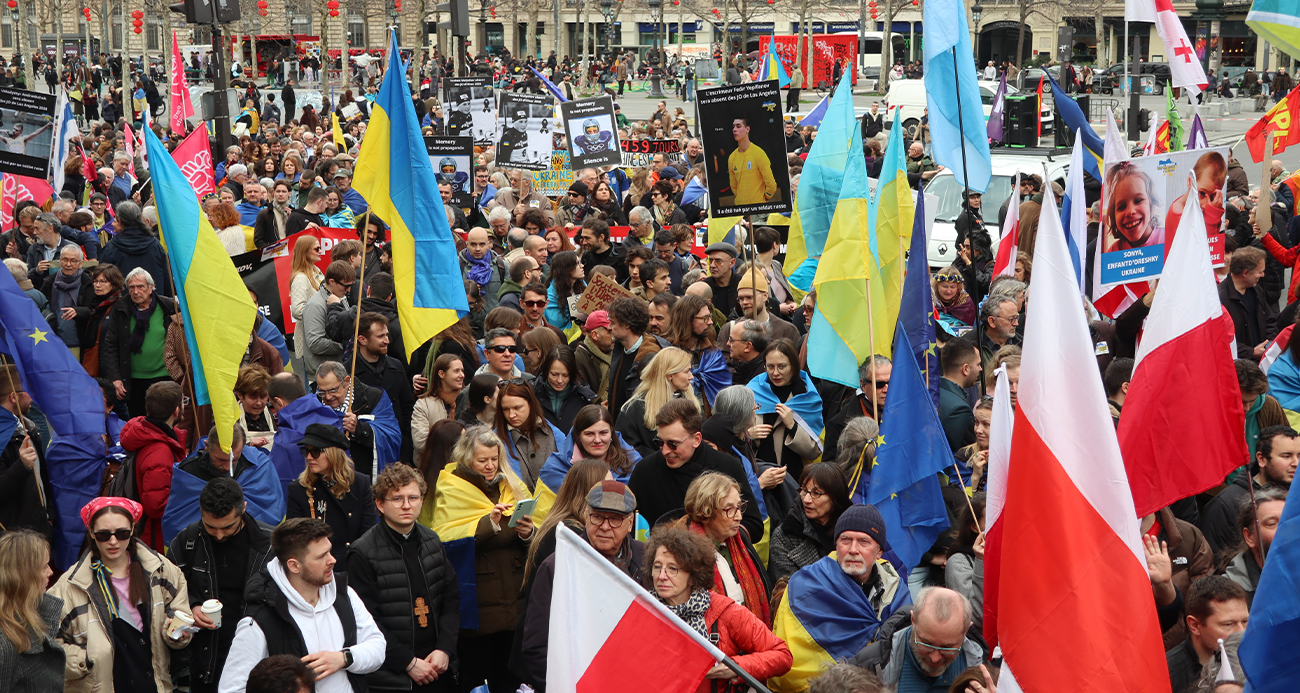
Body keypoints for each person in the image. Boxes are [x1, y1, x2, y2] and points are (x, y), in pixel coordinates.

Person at [218, 518, 387, 693]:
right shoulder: (259, 620)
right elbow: (232, 688)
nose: (333, 560)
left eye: (329, 551)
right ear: (294, 566)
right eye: (321, 556)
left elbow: (378, 647)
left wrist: (344, 658)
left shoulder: (345, 594)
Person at [49, 497, 194, 693]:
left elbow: (178, 612)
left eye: (122, 533)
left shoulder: (161, 570)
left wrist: (176, 633)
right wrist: (87, 660)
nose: (113, 541)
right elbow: (46, 640)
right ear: (91, 533)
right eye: (103, 535)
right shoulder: (69, 586)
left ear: (133, 529)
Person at [428, 426, 533, 693]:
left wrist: (527, 533)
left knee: (510, 678)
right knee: (478, 679)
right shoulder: (453, 487)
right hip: (478, 610)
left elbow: (535, 538)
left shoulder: (511, 484)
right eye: (482, 460)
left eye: (494, 459)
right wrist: (489, 525)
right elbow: (445, 539)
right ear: (466, 459)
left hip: (514, 601)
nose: (489, 466)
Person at [515, 479, 647, 687]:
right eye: (597, 517)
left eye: (615, 519)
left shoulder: (648, 559)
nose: (604, 527)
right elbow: (536, 646)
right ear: (586, 516)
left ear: (630, 523)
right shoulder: (557, 566)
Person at [347, 464, 459, 693]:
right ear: (380, 504)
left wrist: (445, 649)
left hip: (437, 663)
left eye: (413, 497)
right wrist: (407, 662)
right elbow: (366, 620)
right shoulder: (363, 553)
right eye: (397, 499)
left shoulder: (432, 541)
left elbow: (450, 600)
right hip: (393, 675)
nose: (407, 505)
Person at [644, 527, 792, 691]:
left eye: (673, 568)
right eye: (657, 566)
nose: (662, 576)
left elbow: (782, 655)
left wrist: (733, 668)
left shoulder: (725, 611)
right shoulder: (643, 610)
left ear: (693, 576)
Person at [168, 477, 275, 693]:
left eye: (227, 527)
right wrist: (192, 607)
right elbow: (167, 590)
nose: (218, 535)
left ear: (243, 509)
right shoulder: (187, 540)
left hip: (257, 653)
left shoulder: (271, 544)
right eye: (210, 527)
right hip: (205, 659)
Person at [629, 398, 764, 538]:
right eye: (660, 442)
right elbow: (629, 524)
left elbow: (753, 526)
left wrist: (712, 532)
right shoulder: (644, 471)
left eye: (673, 444)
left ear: (697, 439)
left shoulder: (727, 467)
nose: (665, 451)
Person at [673, 471, 772, 625]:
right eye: (729, 509)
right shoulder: (681, 552)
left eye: (739, 507)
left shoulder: (740, 540)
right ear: (706, 511)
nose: (739, 516)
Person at [850, 586, 984, 690]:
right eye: (926, 644)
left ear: (965, 630)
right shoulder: (869, 665)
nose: (935, 658)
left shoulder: (983, 670)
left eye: (947, 648)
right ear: (913, 620)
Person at [1199, 425, 1296, 559]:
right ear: (1261, 459)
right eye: (1286, 456)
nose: (1296, 463)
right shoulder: (1226, 503)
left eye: (1299, 456)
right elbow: (1215, 564)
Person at [286, 423, 377, 563]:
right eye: (306, 451)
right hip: (316, 565)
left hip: (354, 562)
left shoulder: (360, 484)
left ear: (332, 453)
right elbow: (294, 539)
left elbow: (368, 533)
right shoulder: (299, 489)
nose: (309, 457)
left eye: (315, 451)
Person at [121, 381, 187, 551]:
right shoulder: (160, 452)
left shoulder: (149, 434)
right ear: (176, 411)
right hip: (154, 538)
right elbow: (156, 506)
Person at [747, 340, 824, 481]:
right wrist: (748, 435)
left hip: (795, 478)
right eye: (770, 366)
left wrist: (792, 426)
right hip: (759, 474)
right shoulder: (752, 392)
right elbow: (733, 438)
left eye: (782, 366)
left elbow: (814, 451)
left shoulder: (807, 397)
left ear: (793, 366)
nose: (775, 373)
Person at [0, 530, 63, 693]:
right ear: (23, 576)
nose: (50, 572)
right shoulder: (4, 644)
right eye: (44, 567)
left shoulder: (31, 616)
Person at [314, 361, 403, 477]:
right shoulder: (315, 402)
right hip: (328, 476)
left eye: (332, 390)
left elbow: (392, 437)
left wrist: (359, 429)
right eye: (322, 392)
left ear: (346, 381)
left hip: (364, 476)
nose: (328, 397)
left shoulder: (374, 398)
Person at [769, 463, 853, 582]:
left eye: (816, 493)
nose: (807, 500)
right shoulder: (784, 537)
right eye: (804, 491)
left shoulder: (855, 530)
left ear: (835, 497)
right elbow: (791, 590)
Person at [1165, 577, 1250, 693]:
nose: (1241, 631)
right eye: (1228, 624)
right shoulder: (1166, 675)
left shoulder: (1261, 662)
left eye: (1245, 621)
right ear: (1194, 625)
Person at [618, 347, 701, 458]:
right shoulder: (634, 409)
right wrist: (665, 458)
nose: (691, 377)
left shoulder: (692, 404)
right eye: (687, 371)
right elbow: (627, 449)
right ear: (670, 375)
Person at [495, 379, 563, 493]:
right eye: (505, 409)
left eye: (517, 408)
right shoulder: (494, 440)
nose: (511, 415)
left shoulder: (555, 435)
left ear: (531, 404)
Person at [1223, 486, 1287, 606]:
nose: (1284, 529)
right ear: (1249, 537)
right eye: (1272, 524)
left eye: (1287, 521)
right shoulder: (1229, 593)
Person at [98, 202, 172, 296]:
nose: (112, 223)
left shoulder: (110, 248)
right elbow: (167, 279)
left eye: (115, 219)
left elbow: (102, 281)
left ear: (120, 220)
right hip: (154, 303)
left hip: (122, 306)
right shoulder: (156, 245)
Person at [1219, 247, 1276, 361]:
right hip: (1240, 366)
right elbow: (1221, 339)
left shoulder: (1256, 290)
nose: (1263, 275)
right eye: (1260, 272)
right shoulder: (1220, 299)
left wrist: (1268, 344)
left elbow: (1270, 320)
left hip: (1261, 360)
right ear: (1245, 273)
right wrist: (1250, 352)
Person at [302, 261, 354, 383]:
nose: (349, 290)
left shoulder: (339, 296)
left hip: (337, 371)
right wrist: (347, 345)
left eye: (351, 285)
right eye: (346, 286)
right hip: (322, 377)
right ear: (332, 282)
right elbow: (315, 343)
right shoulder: (315, 305)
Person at [533, 345, 598, 432]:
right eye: (554, 375)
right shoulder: (533, 394)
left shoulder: (585, 398)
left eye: (565, 375)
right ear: (546, 372)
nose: (560, 380)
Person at [412, 354, 465, 460]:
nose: (462, 375)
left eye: (462, 370)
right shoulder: (424, 404)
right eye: (456, 371)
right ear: (441, 374)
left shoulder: (468, 399)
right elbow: (420, 441)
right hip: (433, 467)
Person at [939, 337, 982, 456]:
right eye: (978, 364)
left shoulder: (931, 391)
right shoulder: (959, 410)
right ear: (966, 369)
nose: (980, 369)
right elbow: (962, 455)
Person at [727, 117, 777, 205]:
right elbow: (733, 186)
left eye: (738, 126)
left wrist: (765, 197)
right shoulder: (732, 157)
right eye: (733, 127)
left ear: (747, 129)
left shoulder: (758, 153)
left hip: (757, 206)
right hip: (739, 207)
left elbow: (771, 185)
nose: (734, 129)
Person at [575, 310, 614, 402]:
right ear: (595, 335)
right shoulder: (579, 359)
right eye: (609, 331)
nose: (614, 335)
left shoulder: (618, 353)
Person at [703, 242, 742, 319]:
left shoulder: (743, 285)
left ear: (732, 262)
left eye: (718, 261)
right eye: (710, 261)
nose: (712, 265)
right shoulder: (703, 287)